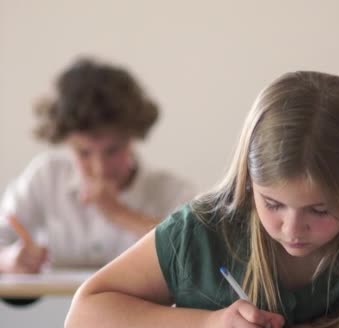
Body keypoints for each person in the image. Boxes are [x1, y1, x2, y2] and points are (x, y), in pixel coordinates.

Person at [65, 71, 339, 328]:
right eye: (273, 204)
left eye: (319, 211)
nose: (292, 228)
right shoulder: (203, 230)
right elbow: (83, 320)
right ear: (249, 184)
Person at [0, 58, 196, 273]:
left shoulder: (171, 191)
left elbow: (196, 257)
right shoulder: (45, 177)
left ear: (132, 138)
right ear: (66, 142)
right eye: (83, 153)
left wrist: (118, 212)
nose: (100, 168)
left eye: (112, 151)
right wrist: (8, 259)